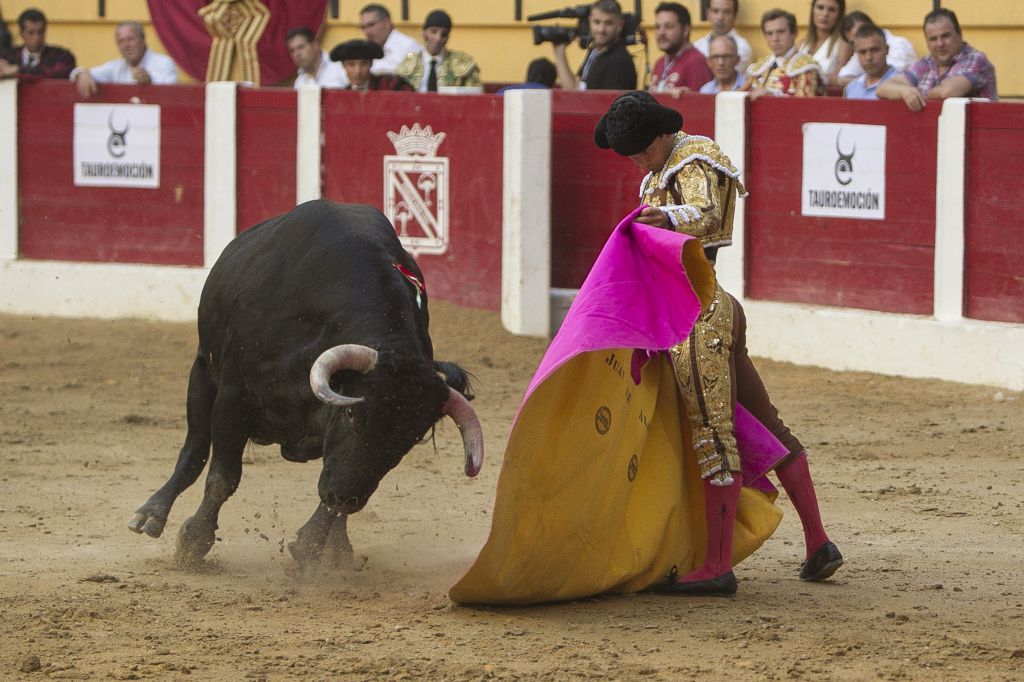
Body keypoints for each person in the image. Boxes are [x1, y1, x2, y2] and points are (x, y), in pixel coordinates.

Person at [594, 91, 842, 595]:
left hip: (697, 314)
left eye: (644, 150)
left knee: (712, 433)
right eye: (632, 156)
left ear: (663, 133)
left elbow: (708, 214)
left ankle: (716, 566)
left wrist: (668, 219)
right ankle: (819, 543)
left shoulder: (694, 157)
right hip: (700, 307)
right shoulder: (658, 172)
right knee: (767, 426)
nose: (640, 161)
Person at [877, 8, 997, 111]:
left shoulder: (976, 60)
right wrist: (905, 92)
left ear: (960, 34)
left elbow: (946, 92)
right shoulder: (925, 63)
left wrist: (915, 95)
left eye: (945, 36)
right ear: (927, 41)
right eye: (933, 39)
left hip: (977, 130)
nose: (940, 44)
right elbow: (882, 88)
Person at [70, 22, 177, 98]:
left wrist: (150, 81)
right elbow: (81, 73)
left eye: (130, 39)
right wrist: (82, 73)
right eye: (121, 41)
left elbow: (171, 94)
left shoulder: (164, 63)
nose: (126, 45)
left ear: (143, 39)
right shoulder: (116, 66)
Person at [551, 0, 636, 91]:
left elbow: (609, 100)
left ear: (620, 25)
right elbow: (573, 90)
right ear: (590, 22)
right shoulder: (595, 52)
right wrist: (559, 52)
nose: (601, 29)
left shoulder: (619, 61)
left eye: (608, 23)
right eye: (597, 22)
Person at [743, 9, 822, 99]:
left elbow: (805, 104)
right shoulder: (760, 68)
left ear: (794, 33)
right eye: (769, 33)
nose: (775, 39)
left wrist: (771, 96)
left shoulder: (805, 67)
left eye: (780, 32)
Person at [396, 10, 480, 93]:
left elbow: (473, 95)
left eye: (443, 34)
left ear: (447, 38)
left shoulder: (463, 62)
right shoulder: (409, 62)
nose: (438, 38)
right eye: (433, 32)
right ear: (424, 32)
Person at [835, 11, 915, 87]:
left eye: (862, 32)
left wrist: (864, 82)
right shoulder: (862, 50)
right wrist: (865, 82)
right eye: (853, 42)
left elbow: (887, 79)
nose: (868, 57)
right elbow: (842, 78)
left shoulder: (899, 44)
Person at [647, 2, 711, 95]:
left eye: (668, 26)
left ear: (685, 30)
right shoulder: (660, 62)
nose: (661, 32)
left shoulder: (696, 61)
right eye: (657, 27)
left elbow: (700, 102)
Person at [0, 8, 76, 81]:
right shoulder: (8, 56)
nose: (36, 38)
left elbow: (58, 71)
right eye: (31, 33)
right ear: (21, 34)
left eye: (40, 32)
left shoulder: (61, 55)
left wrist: (17, 70)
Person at [796, 0, 851, 86]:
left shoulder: (843, 43)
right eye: (820, 8)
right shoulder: (802, 44)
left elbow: (838, 79)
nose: (825, 14)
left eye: (832, 10)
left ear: (840, 14)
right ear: (812, 10)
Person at [358, 4, 420, 77]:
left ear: (387, 23)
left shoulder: (409, 47)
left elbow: (414, 81)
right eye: (363, 27)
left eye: (371, 25)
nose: (367, 32)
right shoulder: (364, 50)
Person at [693, 0, 752, 76]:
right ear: (707, 14)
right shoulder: (697, 46)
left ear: (734, 15)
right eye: (715, 11)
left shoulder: (742, 46)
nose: (720, 17)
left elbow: (724, 77)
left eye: (726, 12)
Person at [329, 39, 412, 91]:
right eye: (351, 65)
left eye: (363, 64)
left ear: (371, 63)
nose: (358, 71)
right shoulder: (343, 95)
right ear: (343, 65)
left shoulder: (392, 86)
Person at [843, 24, 896, 100]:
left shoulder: (902, 83)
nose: (869, 57)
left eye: (874, 50)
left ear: (887, 49)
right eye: (862, 52)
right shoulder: (851, 88)